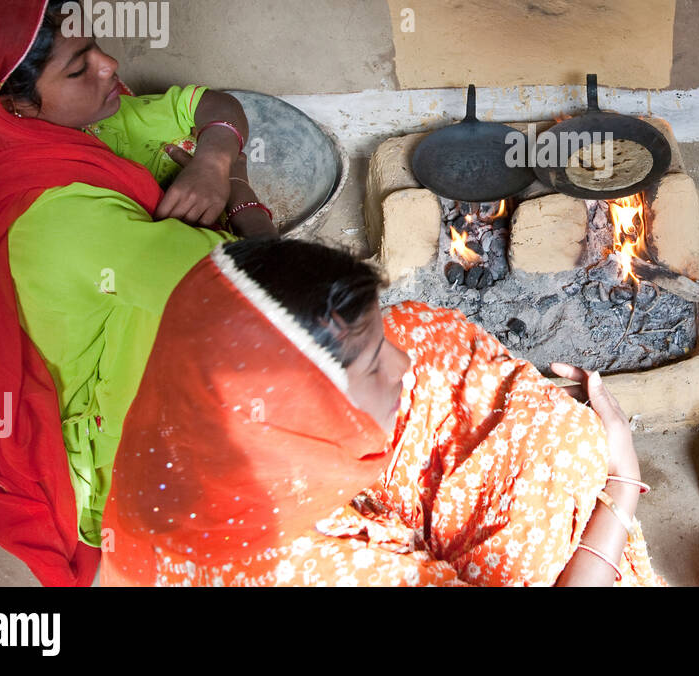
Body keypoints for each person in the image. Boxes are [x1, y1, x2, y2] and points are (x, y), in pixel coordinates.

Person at [0, 0, 276, 586]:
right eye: (79, 67)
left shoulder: (73, 131)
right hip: (119, 452)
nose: (111, 66)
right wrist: (244, 200)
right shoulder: (59, 215)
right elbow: (261, 287)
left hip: (141, 339)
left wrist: (217, 163)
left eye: (96, 45)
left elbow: (217, 108)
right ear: (15, 105)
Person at [102, 238, 663, 586]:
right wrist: (621, 481)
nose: (402, 365)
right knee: (572, 447)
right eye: (374, 363)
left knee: (427, 331)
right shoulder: (316, 572)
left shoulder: (188, 437)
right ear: (306, 417)